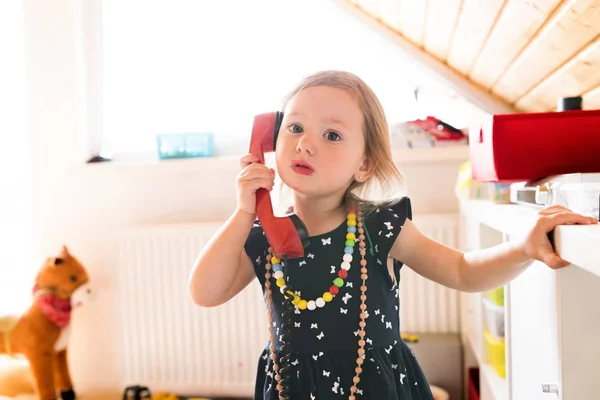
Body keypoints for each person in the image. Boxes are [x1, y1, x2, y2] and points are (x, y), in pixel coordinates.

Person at [188, 70, 597, 400]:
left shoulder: (380, 225)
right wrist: (246, 210)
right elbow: (205, 292)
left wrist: (523, 247)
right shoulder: (263, 234)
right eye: (294, 127)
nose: (306, 144)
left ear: (363, 165)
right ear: (269, 140)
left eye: (331, 135)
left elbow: (461, 269)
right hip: (291, 389)